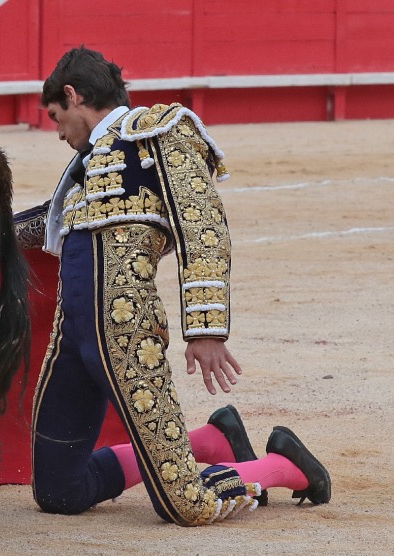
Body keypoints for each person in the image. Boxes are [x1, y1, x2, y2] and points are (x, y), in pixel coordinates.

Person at [21, 47, 330, 524]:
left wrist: (206, 330)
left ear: (73, 95)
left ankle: (284, 466)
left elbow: (202, 228)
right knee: (58, 491)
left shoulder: (161, 132)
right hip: (72, 338)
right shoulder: (85, 166)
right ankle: (209, 441)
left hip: (125, 338)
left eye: (57, 118)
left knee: (187, 505)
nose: (58, 132)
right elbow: (45, 228)